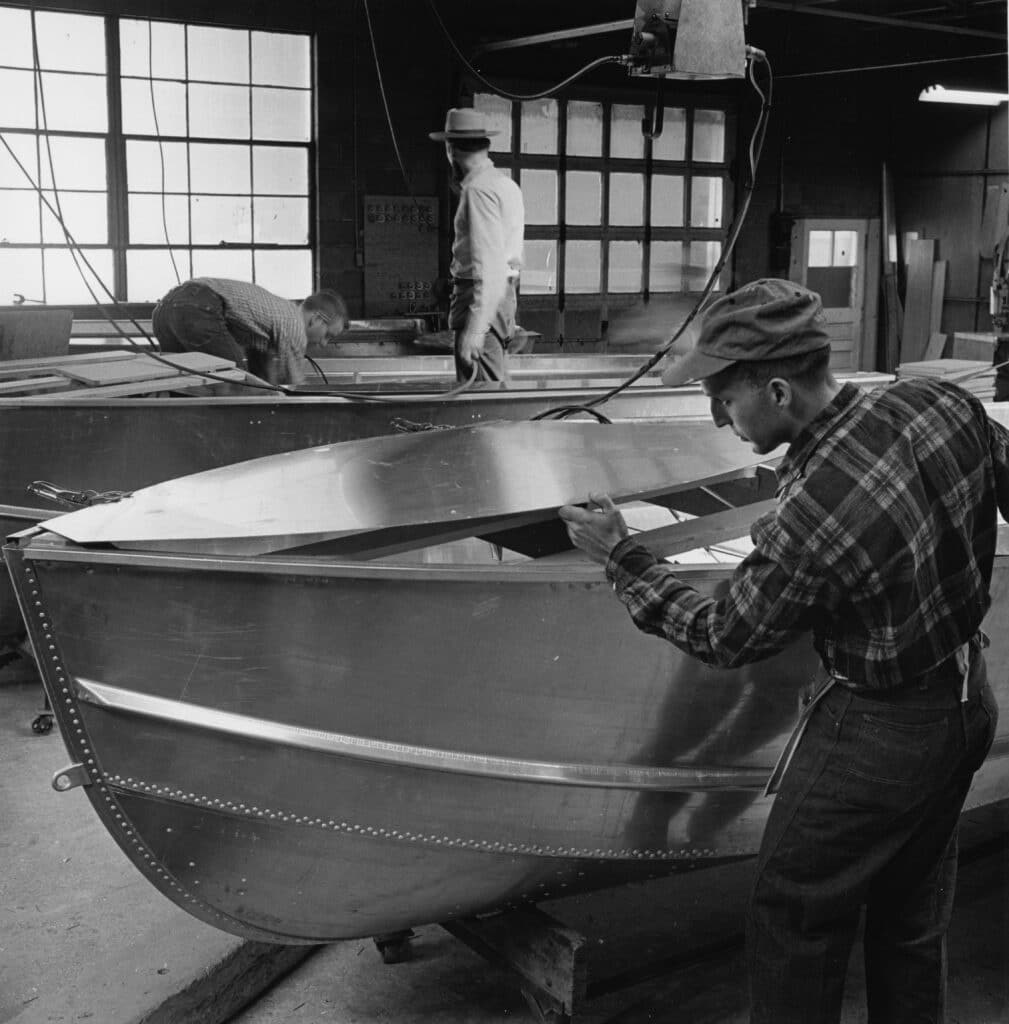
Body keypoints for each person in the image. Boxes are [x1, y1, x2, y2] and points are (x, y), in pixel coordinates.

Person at [559, 278, 1001, 1024]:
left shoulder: (817, 508)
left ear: (776, 391)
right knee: (909, 917)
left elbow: (723, 635)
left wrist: (621, 557)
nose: (716, 417)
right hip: (967, 701)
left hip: (880, 736)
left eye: (722, 398)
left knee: (794, 916)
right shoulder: (937, 402)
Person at [429, 107, 524, 385]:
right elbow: (511, 261)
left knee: (482, 397)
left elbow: (490, 267)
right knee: (492, 387)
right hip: (499, 299)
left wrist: (477, 329)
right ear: (485, 145)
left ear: (451, 149)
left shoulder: (478, 190)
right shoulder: (506, 185)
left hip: (480, 302)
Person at [152, 278, 347, 387]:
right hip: (197, 308)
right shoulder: (295, 324)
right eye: (328, 335)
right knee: (237, 380)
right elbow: (295, 385)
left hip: (165, 309)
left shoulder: (271, 320)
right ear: (316, 319)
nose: (323, 343)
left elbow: (261, 374)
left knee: (180, 384)